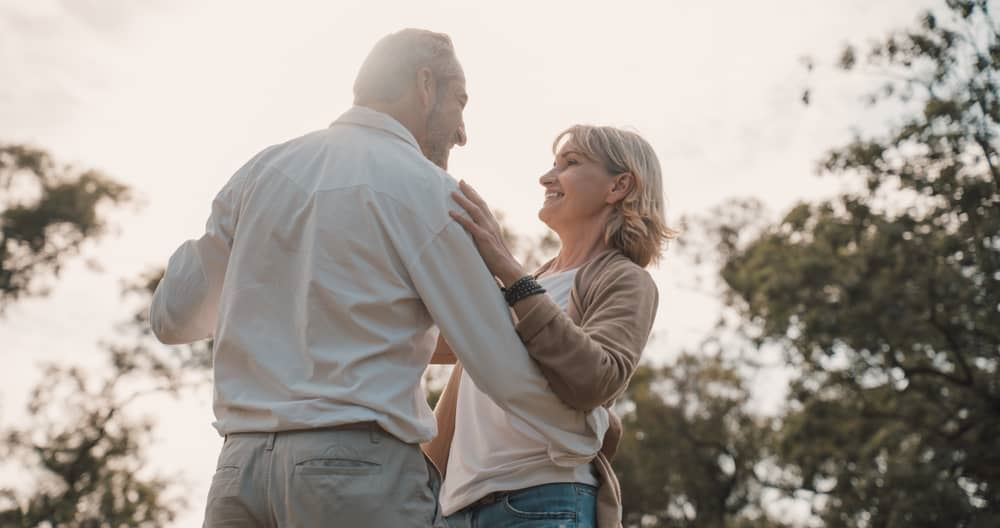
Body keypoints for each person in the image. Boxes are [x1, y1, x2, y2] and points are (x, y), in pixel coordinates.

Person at [149, 29, 605, 527]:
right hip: (354, 480)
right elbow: (497, 360)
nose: (462, 132)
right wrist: (586, 433)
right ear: (424, 85)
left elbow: (171, 318)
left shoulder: (259, 172)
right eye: (460, 102)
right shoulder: (429, 192)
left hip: (238, 477)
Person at [423, 125, 674, 528]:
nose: (546, 177)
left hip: (543, 501)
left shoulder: (625, 279)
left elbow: (595, 379)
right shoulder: (531, 283)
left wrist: (505, 266)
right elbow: (429, 343)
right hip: (458, 509)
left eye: (570, 163)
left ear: (619, 186)